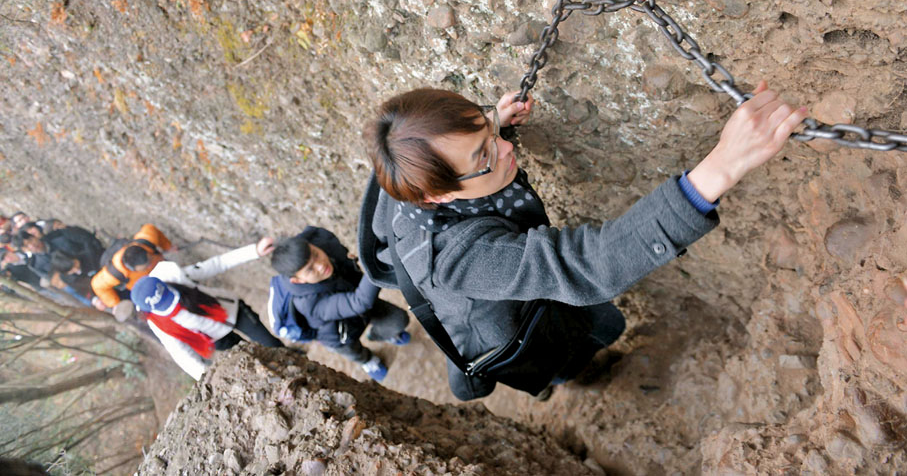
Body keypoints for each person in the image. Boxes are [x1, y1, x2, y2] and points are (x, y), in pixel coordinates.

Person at [359, 84, 808, 401]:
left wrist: (494, 122)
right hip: (506, 330)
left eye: (488, 132)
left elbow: (464, 153)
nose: (505, 149)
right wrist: (720, 168)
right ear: (436, 195)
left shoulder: (405, 164)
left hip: (483, 297)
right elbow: (582, 265)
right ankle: (579, 377)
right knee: (560, 360)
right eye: (485, 155)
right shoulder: (459, 260)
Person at [269, 227, 410, 381]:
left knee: (399, 319)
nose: (320, 265)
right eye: (310, 269)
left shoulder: (323, 241)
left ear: (311, 245)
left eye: (316, 254)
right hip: (340, 335)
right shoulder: (310, 303)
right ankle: (368, 361)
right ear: (298, 280)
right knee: (356, 352)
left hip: (358, 304)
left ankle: (377, 335)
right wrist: (379, 262)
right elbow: (360, 301)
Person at [130, 237, 283, 380]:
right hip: (217, 338)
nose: (174, 306)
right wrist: (204, 377)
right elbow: (180, 353)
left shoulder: (176, 277)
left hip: (233, 311)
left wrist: (254, 251)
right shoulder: (159, 323)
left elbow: (216, 264)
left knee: (273, 346)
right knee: (253, 358)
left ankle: (294, 358)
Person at [90, 223, 172, 314]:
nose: (150, 266)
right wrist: (115, 304)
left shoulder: (146, 242)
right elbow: (97, 285)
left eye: (149, 260)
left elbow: (150, 227)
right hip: (147, 287)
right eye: (145, 267)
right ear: (131, 269)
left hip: (165, 269)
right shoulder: (116, 272)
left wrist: (168, 246)